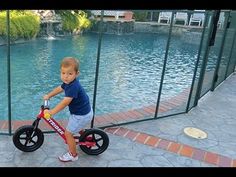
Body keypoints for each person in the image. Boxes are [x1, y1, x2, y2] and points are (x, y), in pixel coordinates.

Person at [43, 57, 93, 162]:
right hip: (83, 112)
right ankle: (83, 135)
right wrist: (49, 95)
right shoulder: (69, 82)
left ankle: (73, 155)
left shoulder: (73, 86)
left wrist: (51, 112)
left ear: (76, 74)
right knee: (76, 126)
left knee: (68, 133)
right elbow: (60, 88)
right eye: (63, 73)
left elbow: (65, 102)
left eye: (70, 74)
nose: (66, 76)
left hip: (81, 115)